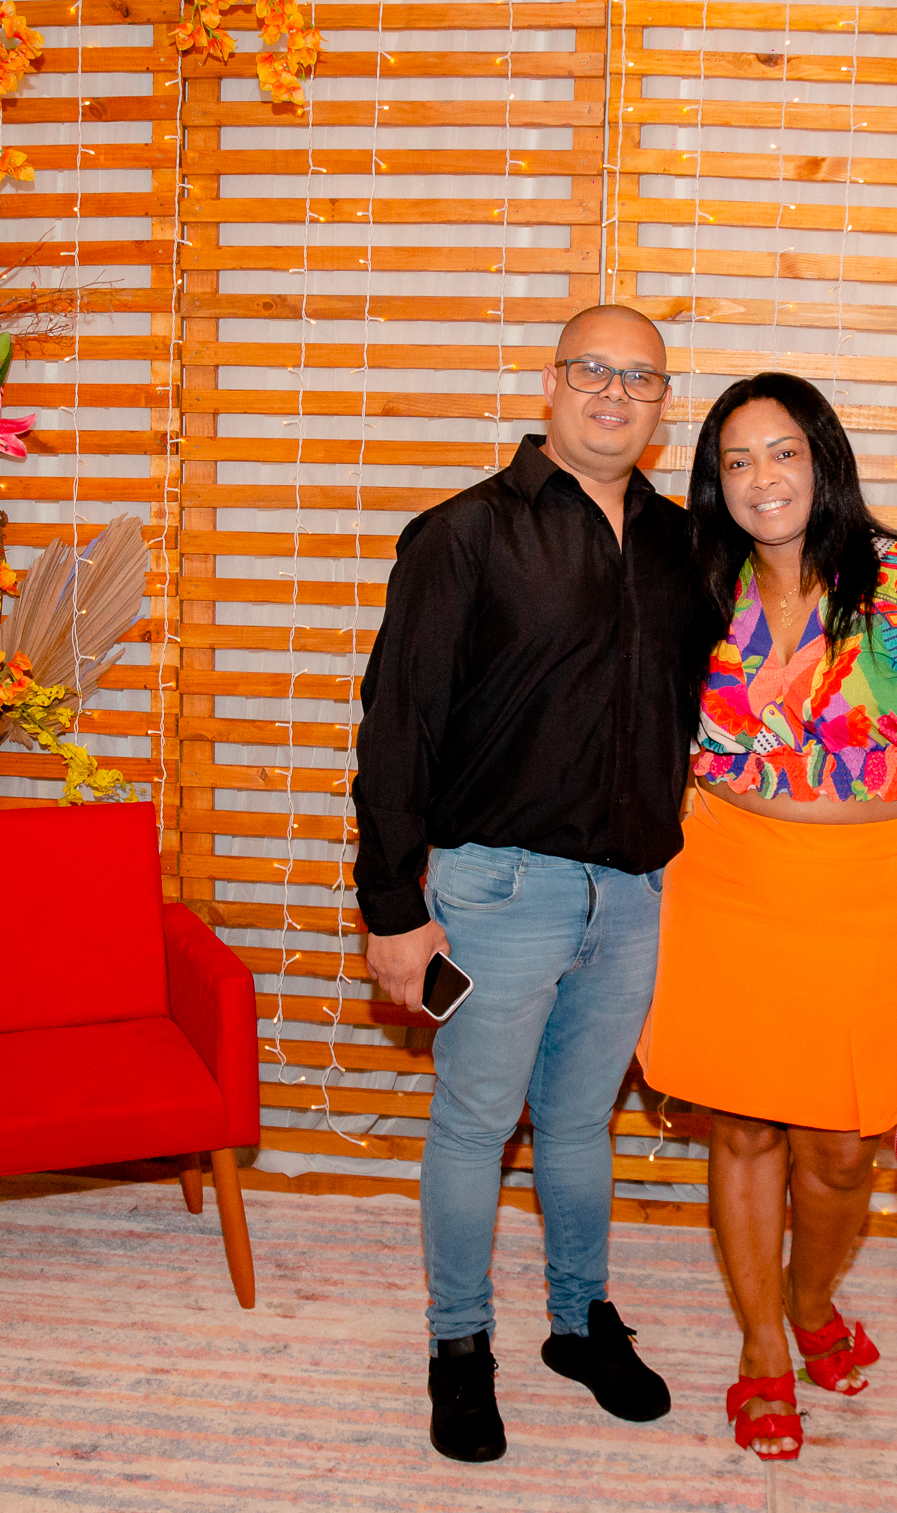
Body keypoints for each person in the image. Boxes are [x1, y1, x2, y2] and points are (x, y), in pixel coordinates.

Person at [635, 372, 897, 1461]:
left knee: (843, 1150)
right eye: (736, 460)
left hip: (867, 892)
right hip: (725, 883)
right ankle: (764, 1342)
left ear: (823, 459)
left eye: (782, 451)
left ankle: (810, 1300)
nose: (762, 477)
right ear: (715, 483)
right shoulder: (697, 583)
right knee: (745, 1128)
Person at [354, 306, 701, 1465]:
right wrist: (393, 909)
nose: (614, 392)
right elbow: (396, 729)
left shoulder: (682, 548)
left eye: (640, 378)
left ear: (663, 405)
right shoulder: (463, 534)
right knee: (472, 1125)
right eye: (592, 369)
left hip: (632, 895)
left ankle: (578, 1321)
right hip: (495, 894)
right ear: (550, 383)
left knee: (580, 1123)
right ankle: (458, 1345)